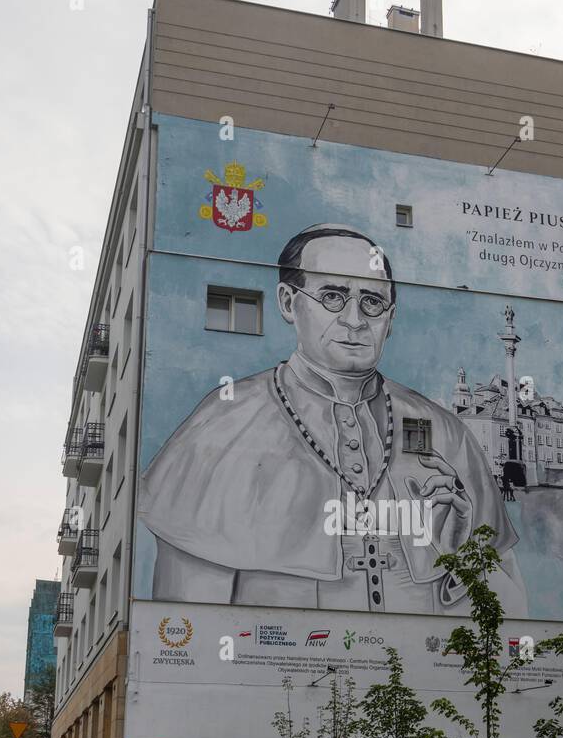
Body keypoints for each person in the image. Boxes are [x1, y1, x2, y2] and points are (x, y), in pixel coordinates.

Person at [139, 222, 528, 616]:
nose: (355, 319)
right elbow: (184, 629)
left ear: (390, 319)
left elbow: (507, 618)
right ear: (289, 302)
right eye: (332, 297)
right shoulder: (223, 422)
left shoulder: (445, 432)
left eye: (372, 302)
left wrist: (462, 558)